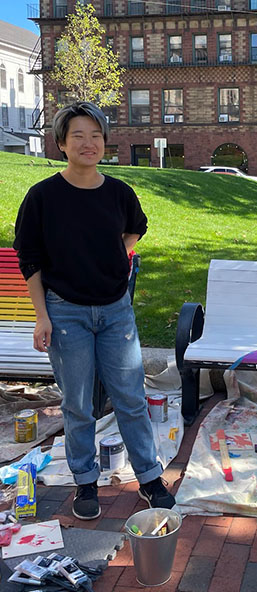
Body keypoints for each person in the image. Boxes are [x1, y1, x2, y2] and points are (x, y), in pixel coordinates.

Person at [13, 102, 175, 520]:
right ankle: (85, 483)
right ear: (62, 143)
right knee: (78, 404)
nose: (89, 143)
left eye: (96, 135)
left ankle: (150, 478)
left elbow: (137, 225)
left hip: (116, 312)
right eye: (78, 136)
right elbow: (28, 257)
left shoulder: (119, 192)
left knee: (130, 399)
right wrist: (41, 314)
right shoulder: (43, 196)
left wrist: (116, 254)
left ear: (105, 141)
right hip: (65, 313)